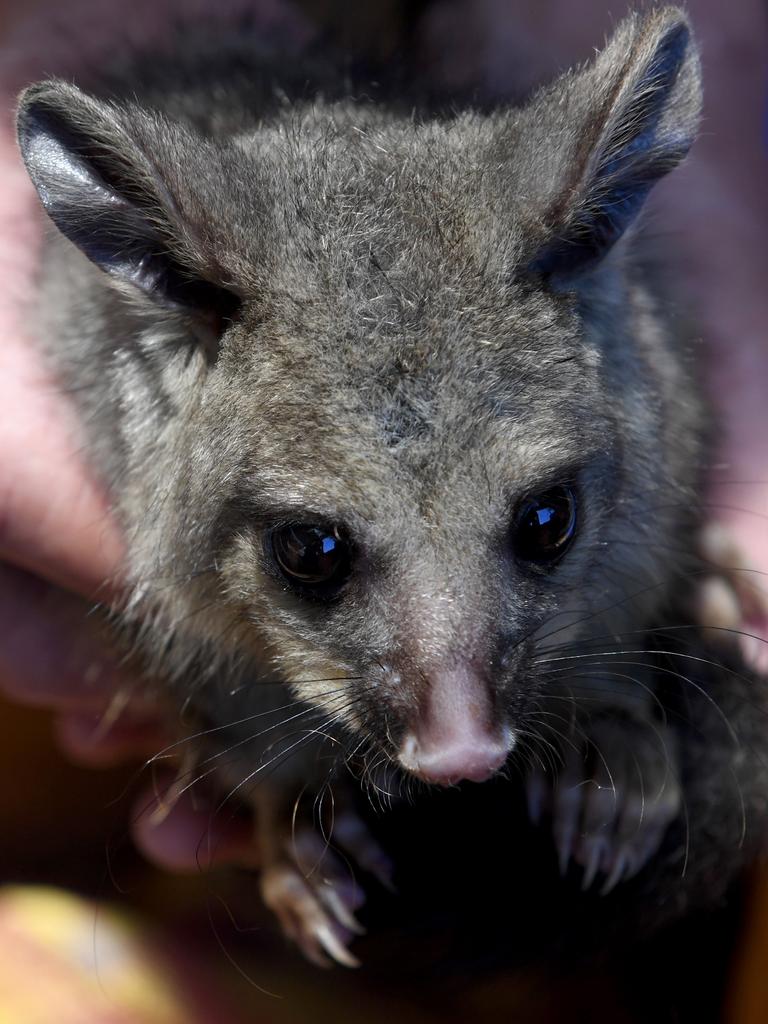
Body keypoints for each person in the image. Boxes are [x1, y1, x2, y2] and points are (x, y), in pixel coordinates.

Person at [0, 0, 765, 873]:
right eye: (318, 553)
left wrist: (610, 687)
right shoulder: (168, 337)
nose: (462, 743)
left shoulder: (589, 355)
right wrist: (267, 765)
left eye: (541, 525)